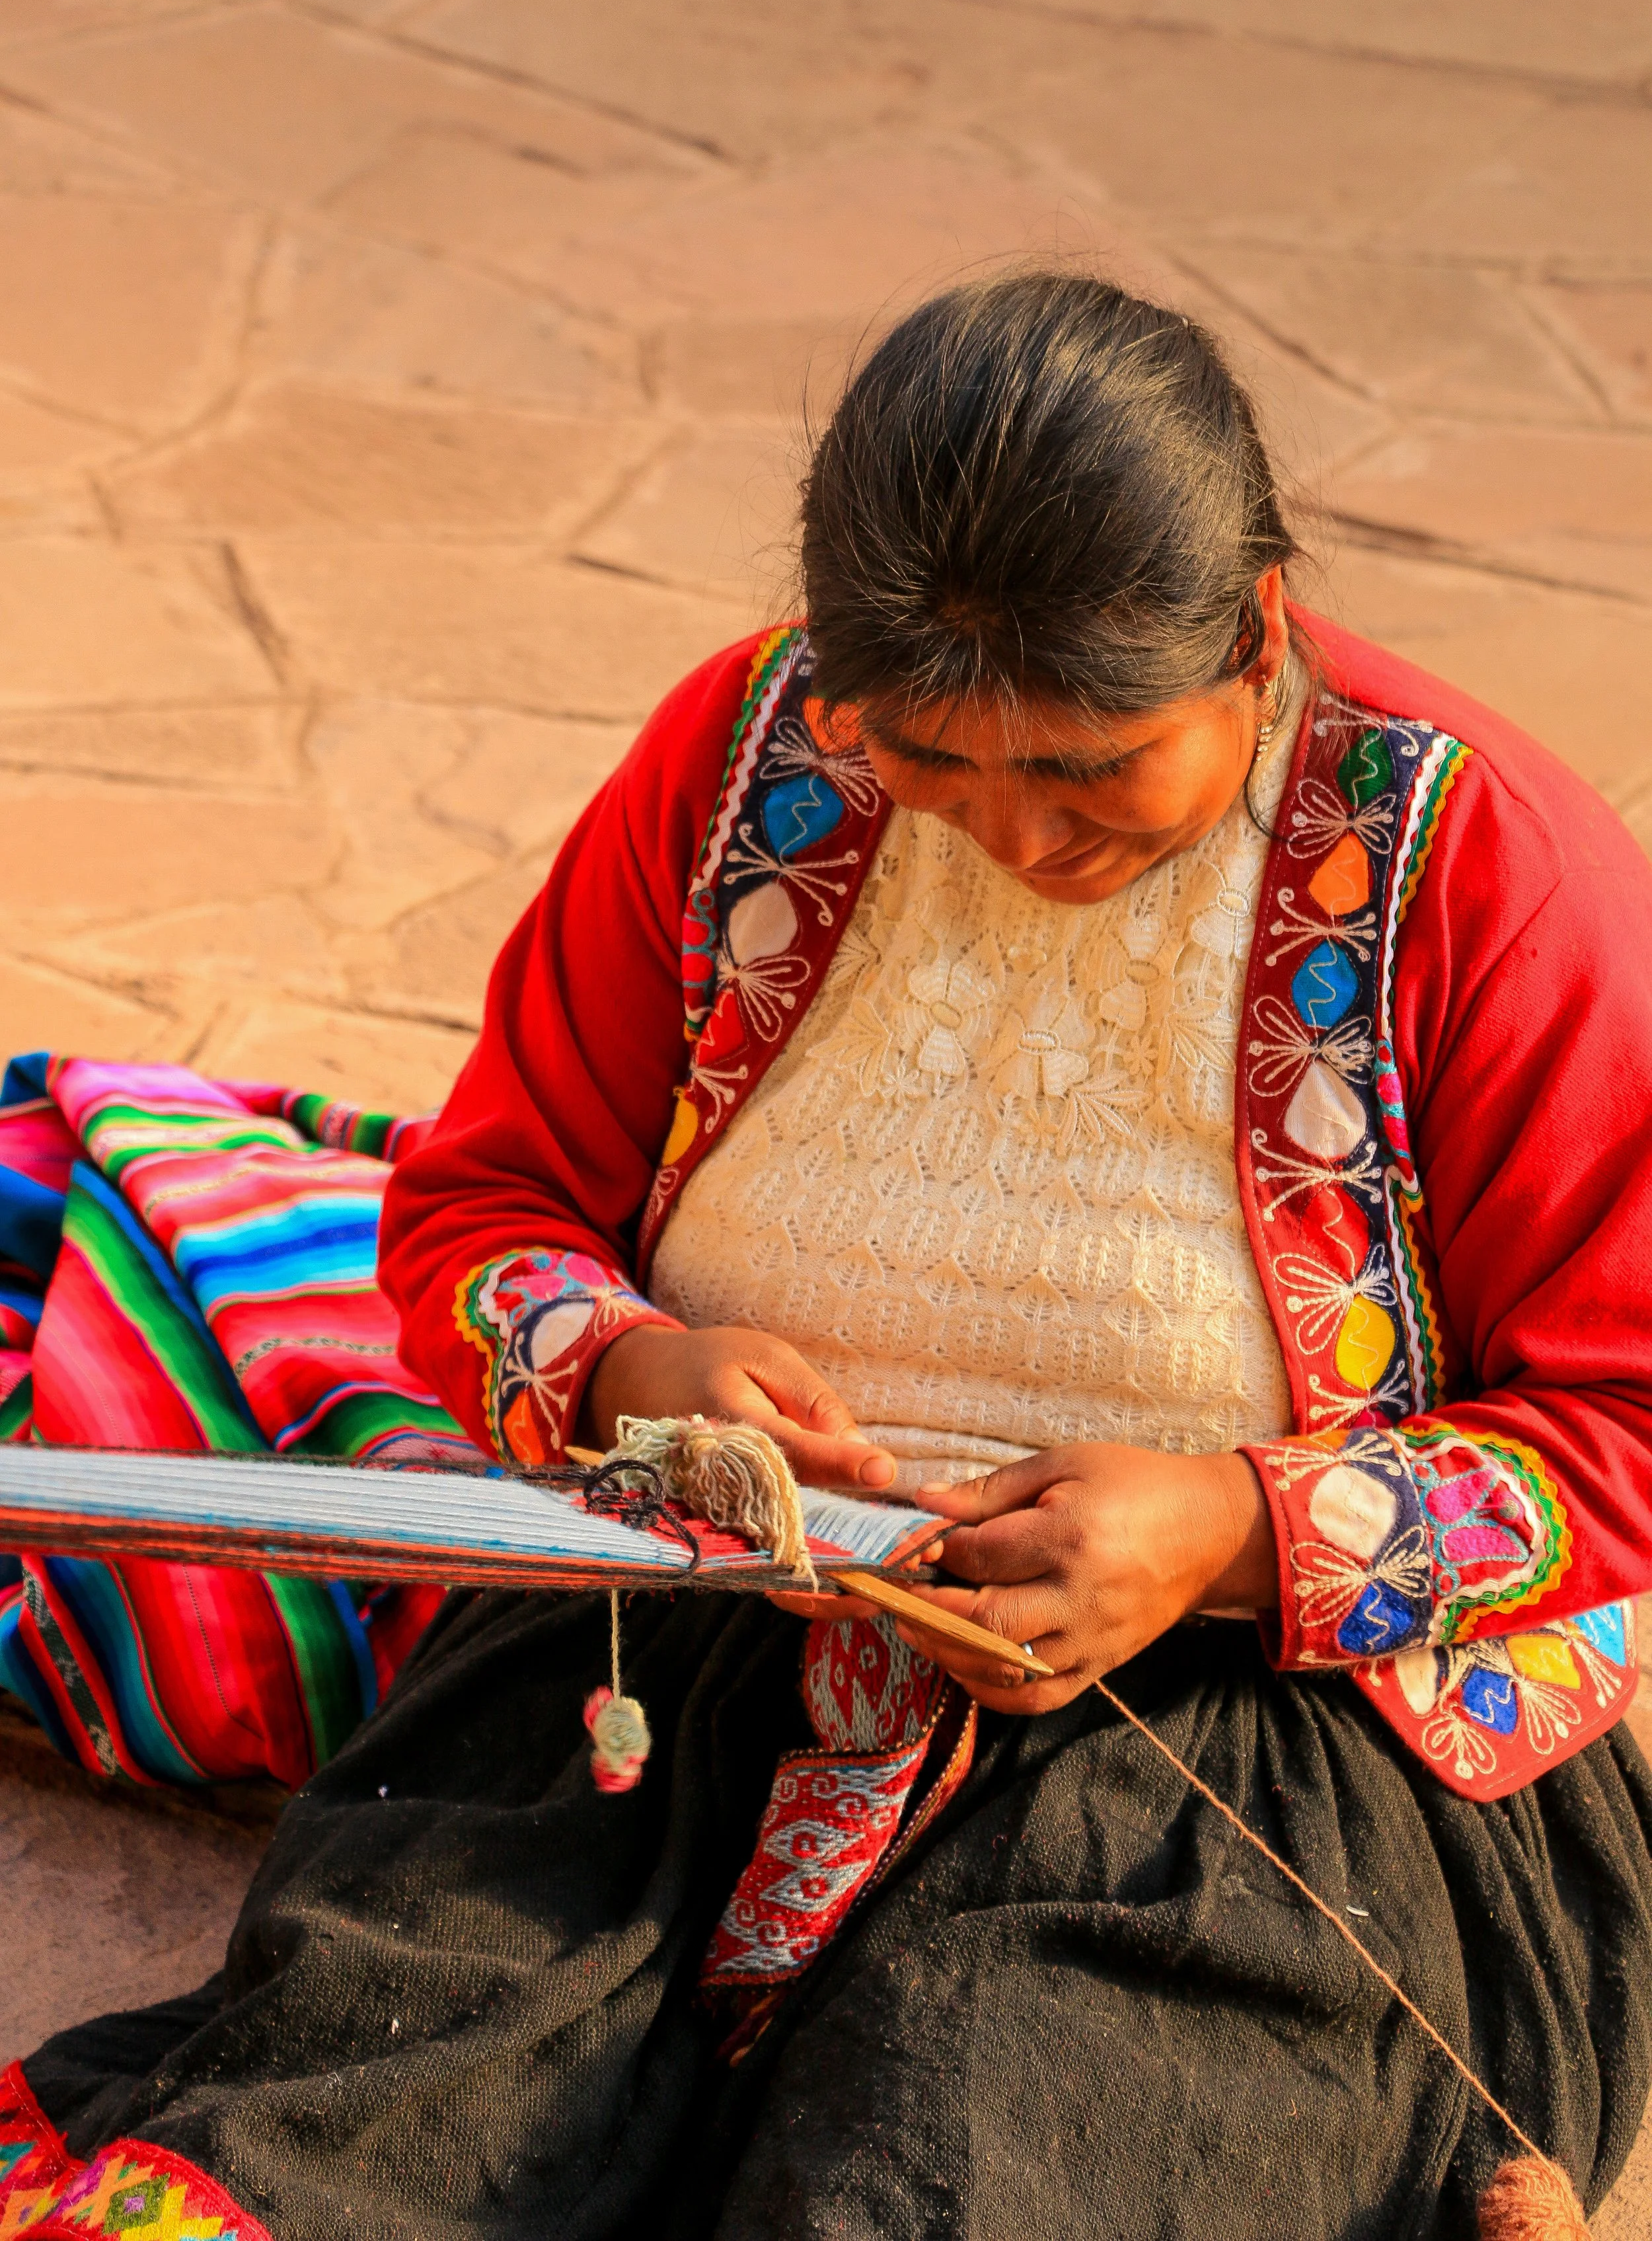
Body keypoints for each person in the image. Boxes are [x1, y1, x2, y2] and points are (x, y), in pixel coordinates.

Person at [11, 272, 1652, 2240]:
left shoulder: (1484, 868)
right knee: (374, 2098)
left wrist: (1220, 1527)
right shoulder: (744, 751)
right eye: (934, 764)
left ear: (1256, 629)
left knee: (985, 2156)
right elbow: (481, 1209)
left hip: (1267, 1745)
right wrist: (636, 1374)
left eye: (1090, 769)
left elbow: (1624, 1423)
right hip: (688, 1632)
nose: (1014, 839)